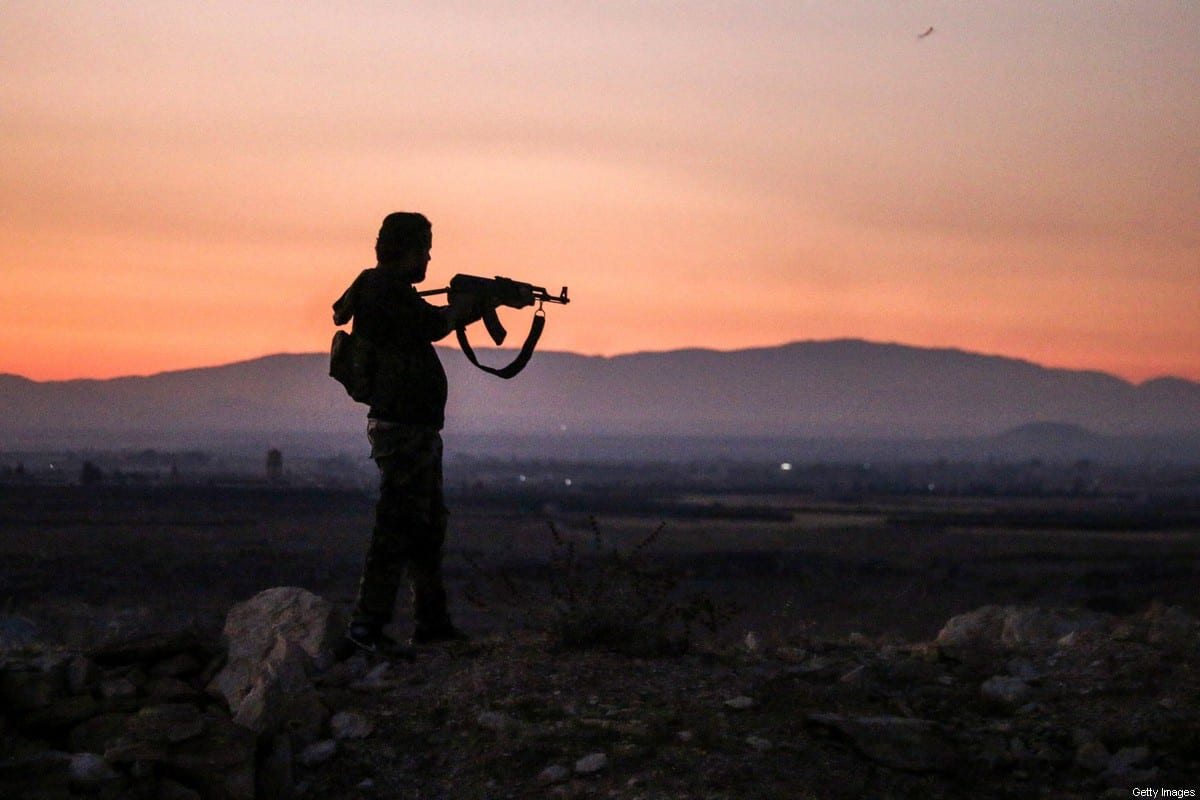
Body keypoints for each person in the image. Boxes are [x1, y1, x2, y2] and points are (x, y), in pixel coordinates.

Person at [332, 211, 530, 658]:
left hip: (415, 428)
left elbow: (430, 320)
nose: (428, 259)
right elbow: (433, 325)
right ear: (405, 250)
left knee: (425, 528)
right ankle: (366, 627)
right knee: (396, 525)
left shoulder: (392, 291)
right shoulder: (383, 291)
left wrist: (484, 302)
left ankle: (431, 623)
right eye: (423, 249)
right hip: (402, 429)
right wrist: (475, 305)